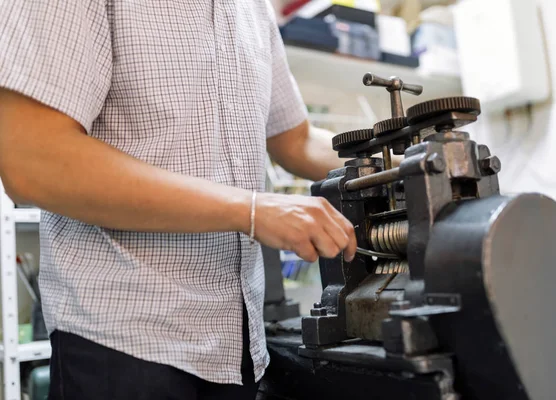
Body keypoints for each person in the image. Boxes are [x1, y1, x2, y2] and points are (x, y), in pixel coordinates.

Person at [0, 1, 358, 399]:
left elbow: (296, 140)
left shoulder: (250, 8)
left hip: (240, 350)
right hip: (126, 350)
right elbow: (33, 160)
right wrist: (253, 210)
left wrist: (403, 152)